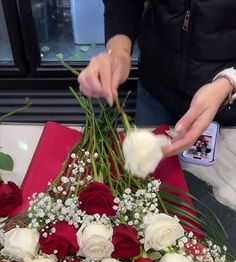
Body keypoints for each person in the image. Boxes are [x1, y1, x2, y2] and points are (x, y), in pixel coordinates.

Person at [78, 0, 236, 158]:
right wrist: (119, 51)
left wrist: (228, 82)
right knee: (142, 168)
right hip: (156, 91)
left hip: (225, 105)